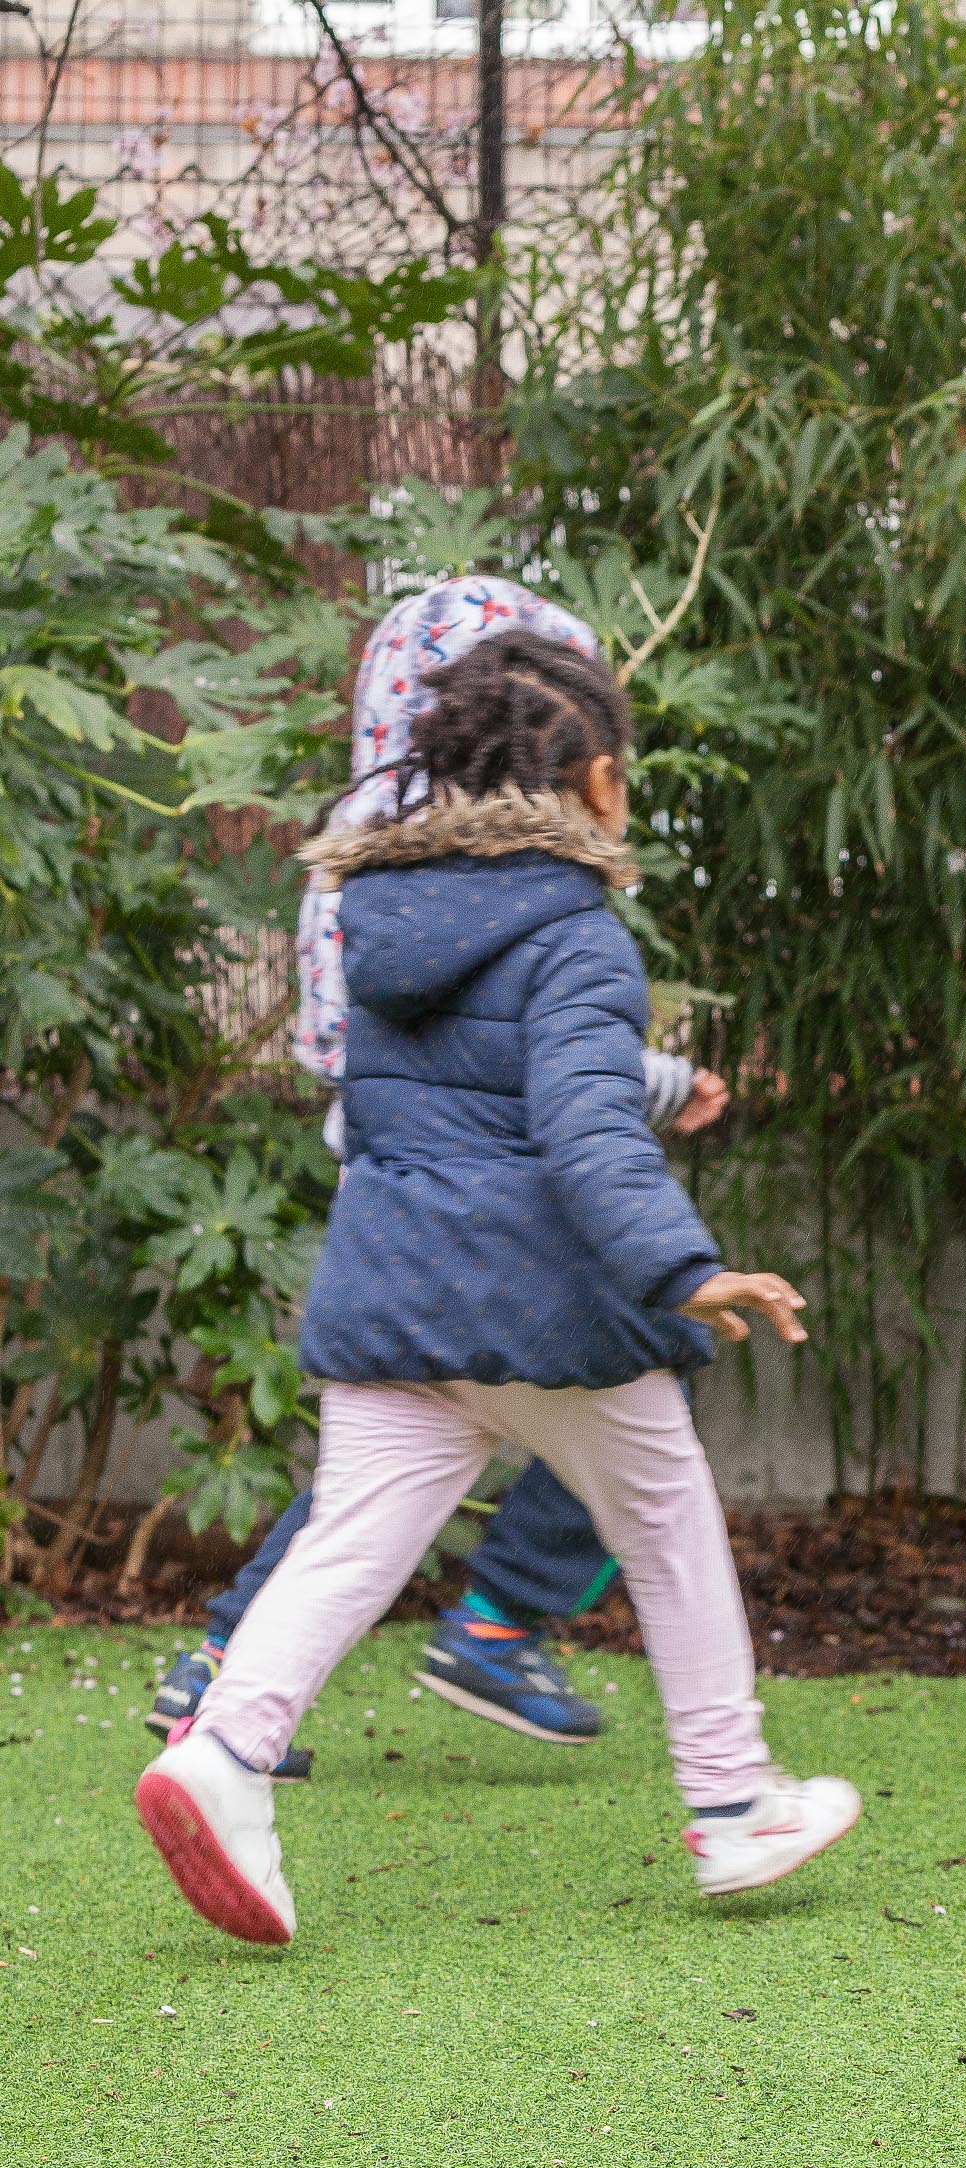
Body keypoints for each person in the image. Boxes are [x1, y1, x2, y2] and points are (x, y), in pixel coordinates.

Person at [135, 631, 857, 1946]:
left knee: (350, 1541)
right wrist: (684, 1268)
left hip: (393, 1291)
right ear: (596, 783)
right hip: (539, 1307)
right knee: (667, 1519)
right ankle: (736, 1798)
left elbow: (429, 1103)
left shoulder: (384, 923)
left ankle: (227, 1753)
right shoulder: (578, 935)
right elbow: (584, 1127)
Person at [146, 578, 727, 1767]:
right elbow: (547, 1076)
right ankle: (525, 1640)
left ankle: (228, 1678)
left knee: (380, 1478)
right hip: (503, 1206)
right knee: (638, 1392)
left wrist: (651, 1083)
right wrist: (670, 1186)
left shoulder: (373, 869)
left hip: (391, 1196)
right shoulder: (537, 890)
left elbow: (453, 1049)